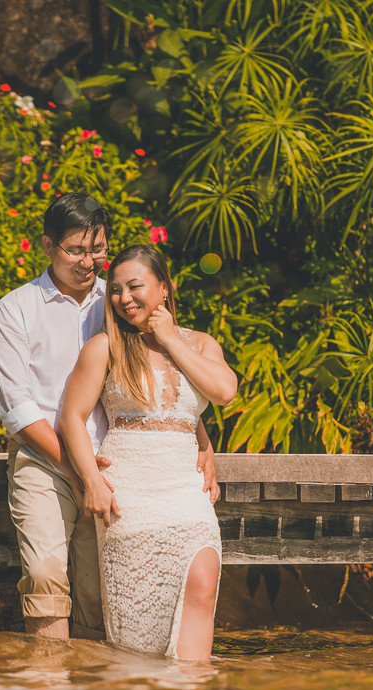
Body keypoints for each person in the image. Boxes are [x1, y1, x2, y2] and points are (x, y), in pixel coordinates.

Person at [0, 194, 219, 642]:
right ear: (47, 246)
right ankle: (46, 687)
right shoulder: (17, 309)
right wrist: (78, 469)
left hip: (116, 467)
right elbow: (17, 409)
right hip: (44, 459)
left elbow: (161, 380)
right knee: (45, 574)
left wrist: (201, 440)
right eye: (76, 250)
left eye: (98, 250)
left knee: (98, 593)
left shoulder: (118, 299)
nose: (89, 261)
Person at [59, 245, 238, 661]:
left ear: (163, 288)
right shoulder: (105, 347)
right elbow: (72, 416)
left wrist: (171, 338)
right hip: (130, 494)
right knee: (139, 633)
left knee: (203, 577)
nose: (124, 298)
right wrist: (91, 480)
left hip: (185, 492)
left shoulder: (201, 343)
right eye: (116, 289)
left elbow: (224, 392)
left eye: (135, 286)